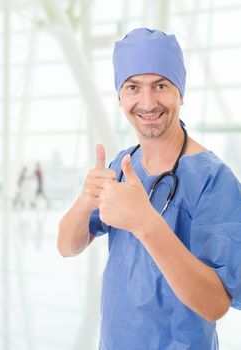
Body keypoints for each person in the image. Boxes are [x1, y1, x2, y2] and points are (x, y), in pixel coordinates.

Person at [57, 28, 241, 349]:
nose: (147, 102)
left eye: (160, 86)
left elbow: (216, 305)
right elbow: (67, 246)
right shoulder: (121, 165)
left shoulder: (213, 181)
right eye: (133, 87)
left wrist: (146, 223)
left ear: (180, 93)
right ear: (120, 97)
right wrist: (86, 200)